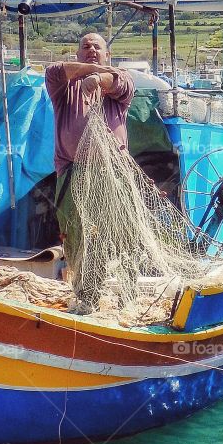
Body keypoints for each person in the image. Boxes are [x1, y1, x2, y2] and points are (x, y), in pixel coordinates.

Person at [44, 33, 135, 281]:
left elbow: (120, 83)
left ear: (108, 56)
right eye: (85, 46)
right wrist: (90, 71)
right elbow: (53, 71)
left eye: (97, 46)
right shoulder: (63, 89)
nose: (91, 49)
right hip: (73, 173)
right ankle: (86, 294)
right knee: (77, 235)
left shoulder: (120, 81)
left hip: (112, 174)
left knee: (118, 234)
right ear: (78, 54)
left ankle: (125, 292)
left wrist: (97, 78)